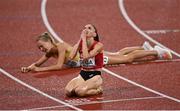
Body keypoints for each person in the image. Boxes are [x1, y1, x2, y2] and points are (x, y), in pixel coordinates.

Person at [21, 25, 172, 73]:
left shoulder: (59, 47)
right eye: (39, 47)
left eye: (42, 46)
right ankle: (143, 47)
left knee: (127, 59)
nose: (41, 49)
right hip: (89, 58)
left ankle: (157, 52)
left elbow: (59, 66)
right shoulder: (50, 51)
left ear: (50, 42)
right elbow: (38, 62)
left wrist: (38, 70)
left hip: (93, 58)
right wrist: (28, 68)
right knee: (119, 53)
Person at [65, 24, 104, 97]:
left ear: (94, 34)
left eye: (89, 28)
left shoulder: (99, 45)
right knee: (68, 91)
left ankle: (98, 90)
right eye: (84, 28)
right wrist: (80, 40)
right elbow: (71, 57)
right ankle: (84, 86)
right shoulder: (81, 43)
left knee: (79, 92)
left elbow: (86, 57)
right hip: (83, 74)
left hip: (95, 75)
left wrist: (83, 40)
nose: (85, 30)